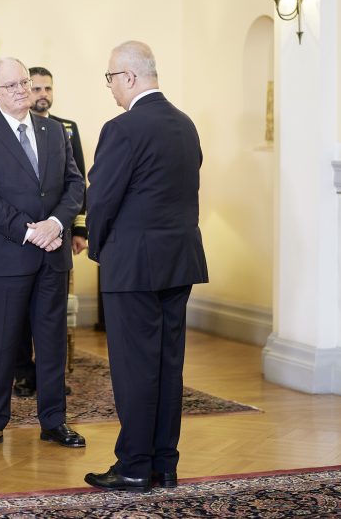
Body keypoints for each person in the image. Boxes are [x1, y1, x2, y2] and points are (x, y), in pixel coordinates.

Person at [84, 41, 208, 492]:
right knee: (168, 366)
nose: (110, 87)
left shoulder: (122, 128)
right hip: (179, 262)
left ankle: (134, 465)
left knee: (135, 368)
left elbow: (101, 200)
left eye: (111, 78)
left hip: (133, 266)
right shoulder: (185, 124)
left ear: (130, 77)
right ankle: (164, 464)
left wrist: (99, 248)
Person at [0, 56, 86, 453]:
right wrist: (31, 231)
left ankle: (54, 421)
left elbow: (75, 184)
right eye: (11, 85)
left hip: (53, 255)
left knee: (51, 344)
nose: (21, 90)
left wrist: (56, 224)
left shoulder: (55, 131)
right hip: (9, 255)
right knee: (1, 346)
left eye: (24, 83)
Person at [12, 66, 88, 399]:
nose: (43, 94)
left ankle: (50, 378)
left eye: (48, 89)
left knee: (50, 316)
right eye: (37, 88)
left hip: (58, 234)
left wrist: (78, 228)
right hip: (21, 234)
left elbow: (78, 180)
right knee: (20, 316)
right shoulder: (8, 130)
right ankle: (23, 373)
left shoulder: (65, 129)